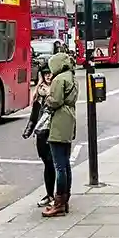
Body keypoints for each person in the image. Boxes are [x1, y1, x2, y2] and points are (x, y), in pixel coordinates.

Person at [41, 50, 78, 218]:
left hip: (59, 122)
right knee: (66, 163)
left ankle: (59, 203)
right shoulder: (72, 77)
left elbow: (55, 101)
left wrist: (46, 97)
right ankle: (65, 198)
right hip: (70, 119)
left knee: (59, 165)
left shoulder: (59, 79)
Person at [22, 63, 56, 208]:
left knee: (54, 164)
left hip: (53, 132)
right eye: (45, 73)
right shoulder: (39, 92)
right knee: (47, 164)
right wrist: (29, 130)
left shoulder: (55, 90)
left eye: (50, 73)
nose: (48, 76)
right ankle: (49, 195)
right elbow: (34, 114)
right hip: (41, 134)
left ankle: (55, 196)